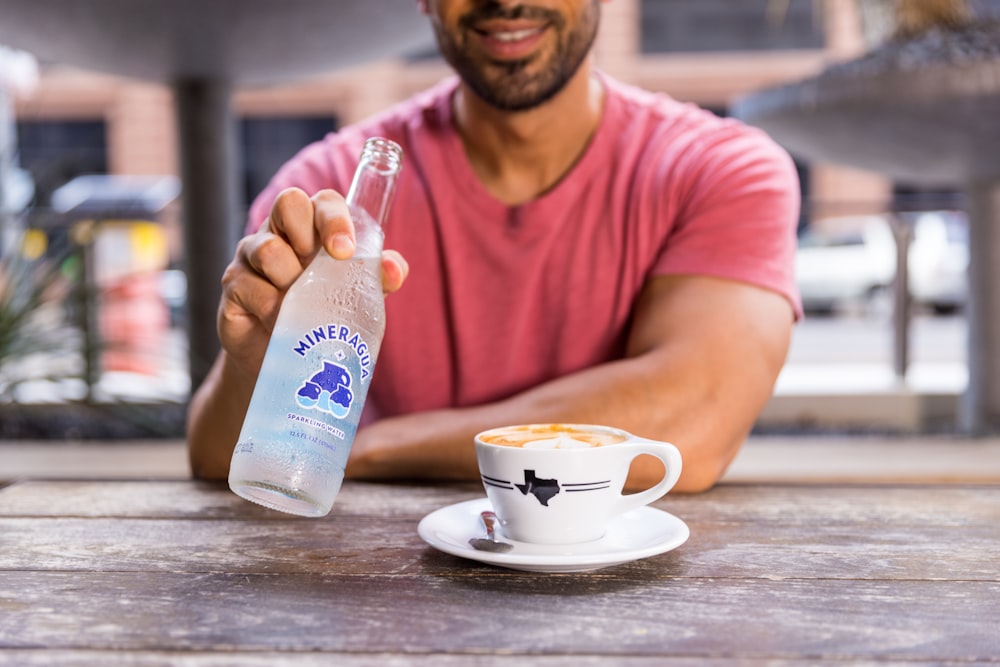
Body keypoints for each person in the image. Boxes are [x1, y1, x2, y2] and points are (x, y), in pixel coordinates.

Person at [187, 0, 802, 493]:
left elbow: (688, 429)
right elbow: (222, 461)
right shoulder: (333, 189)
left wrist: (373, 446)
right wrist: (252, 366)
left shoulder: (721, 170)